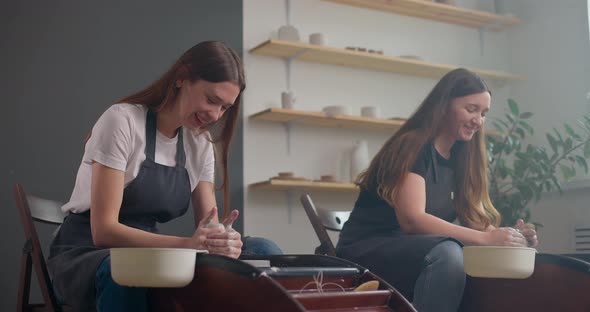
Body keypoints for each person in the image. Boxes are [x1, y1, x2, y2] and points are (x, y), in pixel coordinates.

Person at [47, 41, 282, 312]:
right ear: (182, 77)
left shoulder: (200, 144)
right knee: (130, 272)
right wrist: (188, 245)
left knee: (263, 249)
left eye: (225, 108)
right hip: (87, 253)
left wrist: (223, 240)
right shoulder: (122, 121)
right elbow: (104, 231)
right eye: (211, 99)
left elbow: (208, 226)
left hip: (153, 256)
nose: (215, 115)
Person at [335, 68, 538, 312]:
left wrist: (510, 239)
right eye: (471, 109)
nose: (479, 120)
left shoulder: (461, 156)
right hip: (365, 250)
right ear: (444, 106)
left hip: (413, 250)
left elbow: (472, 221)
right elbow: (412, 220)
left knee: (465, 252)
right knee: (449, 253)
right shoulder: (412, 146)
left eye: (483, 113)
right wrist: (485, 238)